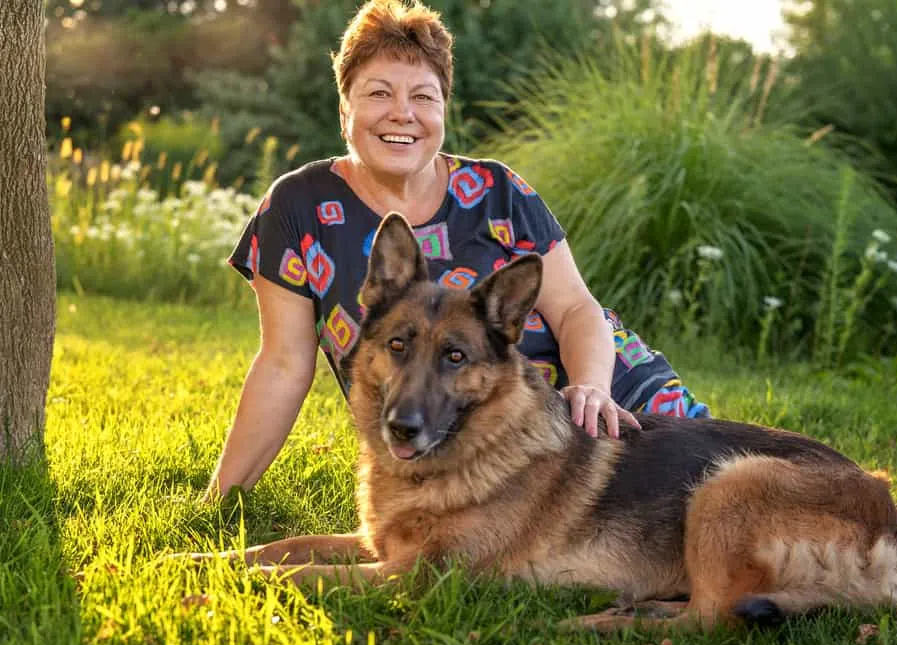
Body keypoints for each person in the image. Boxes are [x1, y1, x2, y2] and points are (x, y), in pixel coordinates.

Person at [203, 0, 709, 500]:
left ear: (444, 110)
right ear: (344, 109)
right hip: (453, 432)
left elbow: (577, 308)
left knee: (716, 498)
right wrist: (220, 498)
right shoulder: (296, 208)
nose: (402, 113)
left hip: (599, 401)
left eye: (424, 97)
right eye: (379, 93)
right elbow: (284, 364)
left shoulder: (499, 191)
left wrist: (592, 387)